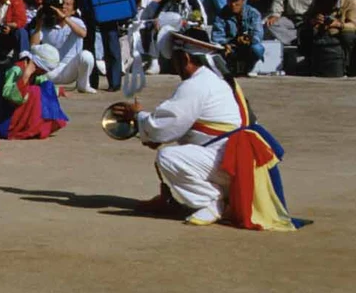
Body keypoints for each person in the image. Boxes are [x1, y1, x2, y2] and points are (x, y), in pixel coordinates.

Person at [110, 29, 298, 230]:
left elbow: (165, 125)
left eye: (175, 59)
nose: (174, 65)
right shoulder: (214, 80)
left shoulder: (198, 84)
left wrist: (137, 116)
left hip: (231, 163)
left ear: (185, 58)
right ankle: (173, 198)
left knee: (168, 157)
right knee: (174, 152)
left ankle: (214, 202)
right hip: (233, 159)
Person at [0, 43, 69, 140]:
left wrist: (57, 91)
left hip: (16, 111)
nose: (45, 72)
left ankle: (42, 124)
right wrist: (25, 76)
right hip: (4, 115)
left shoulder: (36, 73)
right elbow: (9, 96)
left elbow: (44, 85)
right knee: (34, 91)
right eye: (44, 69)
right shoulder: (16, 70)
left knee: (48, 86)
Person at [31, 0, 96, 93]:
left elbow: (83, 34)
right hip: (51, 70)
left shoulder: (76, 21)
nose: (64, 7)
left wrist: (65, 18)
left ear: (74, 11)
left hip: (70, 68)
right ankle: (50, 87)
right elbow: (34, 46)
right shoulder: (47, 23)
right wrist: (39, 23)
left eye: (68, 4)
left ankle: (83, 85)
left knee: (87, 56)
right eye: (62, 4)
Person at [211, 0, 265, 76]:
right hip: (231, 49)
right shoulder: (220, 15)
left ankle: (250, 66)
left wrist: (249, 39)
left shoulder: (254, 13)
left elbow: (258, 34)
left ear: (243, 0)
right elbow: (217, 37)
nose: (233, 4)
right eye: (230, 1)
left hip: (248, 47)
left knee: (257, 48)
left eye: (236, 1)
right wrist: (226, 44)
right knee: (219, 51)